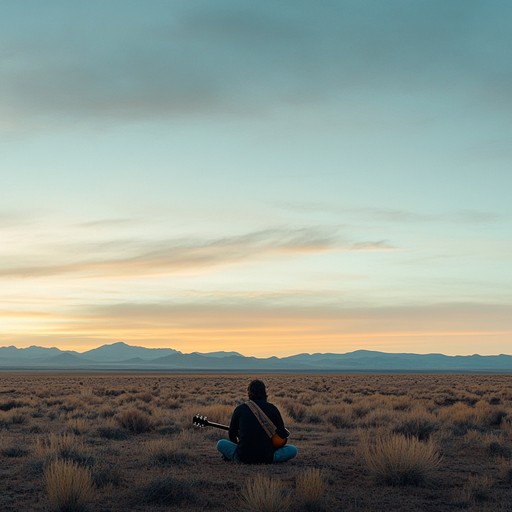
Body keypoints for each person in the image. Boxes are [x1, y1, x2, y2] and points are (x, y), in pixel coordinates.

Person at [216, 379, 298, 464]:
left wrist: (241, 444)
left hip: (243, 456)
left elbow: (232, 434)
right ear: (265, 392)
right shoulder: (273, 409)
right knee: (293, 450)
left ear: (249, 392)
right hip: (267, 457)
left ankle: (236, 457)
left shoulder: (240, 409)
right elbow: (282, 434)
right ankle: (272, 458)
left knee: (220, 443)